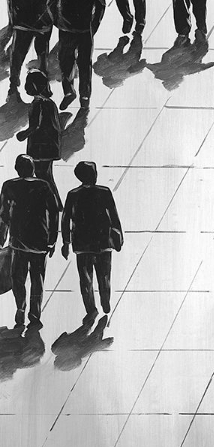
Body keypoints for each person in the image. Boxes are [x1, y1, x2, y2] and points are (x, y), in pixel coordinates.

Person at [0, 154, 58, 327]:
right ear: (33, 169)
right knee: (37, 278)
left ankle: (20, 307)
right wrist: (52, 239)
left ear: (17, 169)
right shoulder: (44, 185)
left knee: (17, 277)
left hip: (18, 241)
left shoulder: (9, 185)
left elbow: (3, 214)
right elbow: (54, 213)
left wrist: (2, 238)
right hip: (40, 240)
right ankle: (35, 313)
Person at [61, 161, 123, 319]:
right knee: (105, 275)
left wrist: (66, 242)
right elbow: (114, 216)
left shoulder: (73, 194)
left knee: (85, 278)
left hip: (82, 244)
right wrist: (119, 236)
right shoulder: (104, 191)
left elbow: (65, 219)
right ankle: (105, 300)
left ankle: (90, 308)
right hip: (103, 241)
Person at [47, 0, 106, 111]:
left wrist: (56, 21)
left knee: (66, 61)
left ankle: (68, 91)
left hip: (66, 26)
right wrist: (95, 24)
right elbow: (101, 3)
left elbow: (51, 1)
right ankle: (85, 96)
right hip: (85, 27)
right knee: (85, 62)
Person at [6, 0, 51, 101]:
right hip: (40, 20)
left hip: (22, 20)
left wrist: (13, 20)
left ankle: (13, 82)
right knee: (42, 51)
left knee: (17, 52)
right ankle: (44, 80)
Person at [16, 70, 62, 207]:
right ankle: (56, 203)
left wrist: (23, 135)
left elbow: (35, 125)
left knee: (43, 176)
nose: (26, 87)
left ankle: (53, 204)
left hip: (39, 147)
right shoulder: (50, 102)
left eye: (28, 84)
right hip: (50, 145)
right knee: (47, 176)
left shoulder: (37, 103)